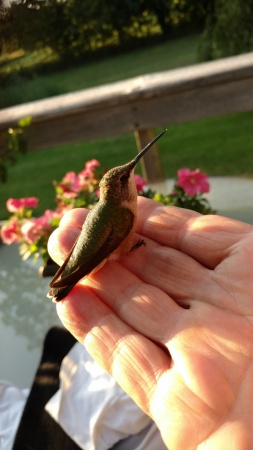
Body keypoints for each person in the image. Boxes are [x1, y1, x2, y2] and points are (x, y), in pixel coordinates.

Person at [48, 196, 253, 450]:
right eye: (125, 179)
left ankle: (64, 279)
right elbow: (108, 247)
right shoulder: (123, 214)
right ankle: (66, 279)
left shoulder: (112, 212)